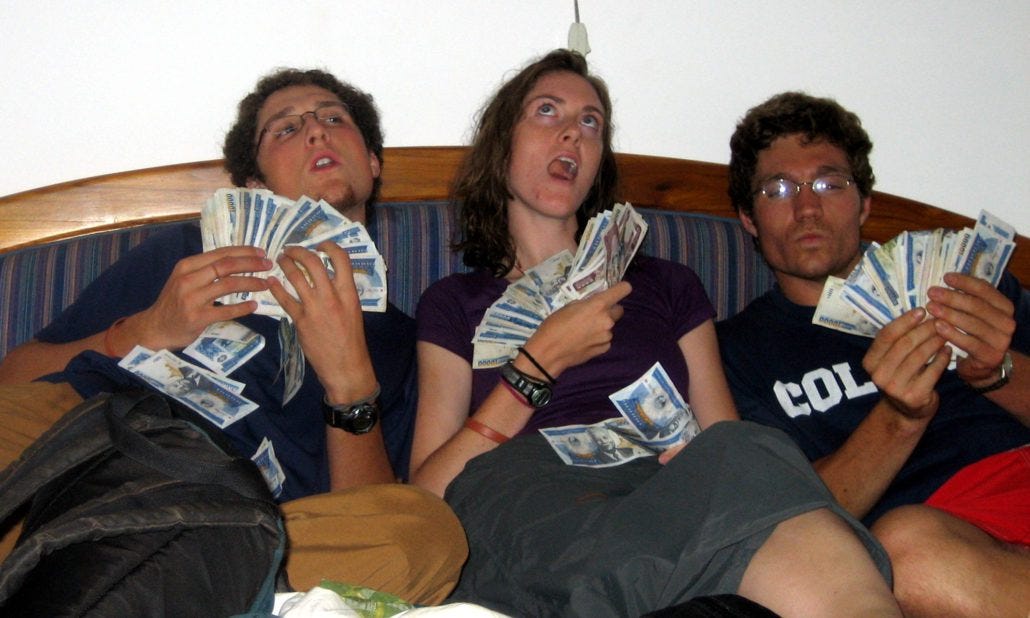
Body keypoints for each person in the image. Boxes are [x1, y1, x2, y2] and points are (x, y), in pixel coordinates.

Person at [411, 49, 901, 617]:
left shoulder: (667, 284)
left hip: (671, 496)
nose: (573, 133)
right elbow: (429, 496)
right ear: (501, 145)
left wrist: (696, 461)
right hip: (537, 497)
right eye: (547, 111)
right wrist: (534, 369)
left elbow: (726, 439)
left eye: (590, 122)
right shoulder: (454, 304)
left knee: (752, 456)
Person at [0, 68, 466, 604]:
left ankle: (175, 569)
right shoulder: (185, 251)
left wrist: (350, 385)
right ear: (256, 187)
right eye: (286, 129)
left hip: (259, 518)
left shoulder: (404, 341)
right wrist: (140, 332)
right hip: (90, 447)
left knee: (423, 533)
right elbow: (14, 375)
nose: (316, 131)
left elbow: (370, 504)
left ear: (373, 162)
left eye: (334, 118)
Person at [717, 91, 1030, 616]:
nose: (807, 207)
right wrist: (900, 417)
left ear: (864, 202)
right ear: (748, 217)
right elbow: (785, 519)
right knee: (905, 552)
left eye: (829, 183)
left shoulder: (958, 276)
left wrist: (996, 374)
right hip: (944, 542)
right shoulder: (733, 352)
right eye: (778, 189)